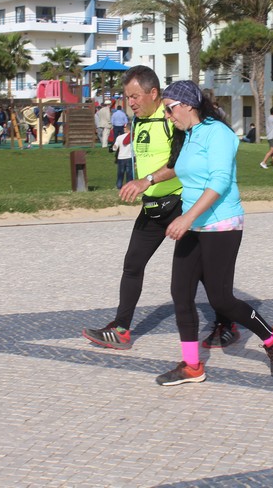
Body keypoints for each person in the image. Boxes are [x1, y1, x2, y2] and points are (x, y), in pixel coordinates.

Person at [83, 66, 238, 351]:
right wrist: (140, 184)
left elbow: (181, 163)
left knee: (202, 272)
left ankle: (226, 325)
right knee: (132, 264)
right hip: (152, 207)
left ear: (153, 93)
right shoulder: (138, 121)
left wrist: (147, 180)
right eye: (127, 97)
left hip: (178, 204)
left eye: (135, 96)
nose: (130, 102)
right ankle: (121, 330)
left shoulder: (171, 120)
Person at [155, 80, 273, 386]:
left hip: (221, 223)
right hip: (193, 224)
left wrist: (186, 218)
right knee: (181, 293)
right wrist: (149, 181)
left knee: (221, 299)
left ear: (187, 105)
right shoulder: (189, 135)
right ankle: (192, 365)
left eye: (170, 109)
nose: (167, 116)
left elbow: (219, 182)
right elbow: (184, 171)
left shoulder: (218, 133)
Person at [113, 123, 133, 189]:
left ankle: (119, 186)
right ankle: (129, 186)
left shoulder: (119, 137)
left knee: (120, 173)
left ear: (126, 128)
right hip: (130, 157)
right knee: (129, 173)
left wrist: (114, 147)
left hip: (121, 157)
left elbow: (114, 148)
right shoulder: (133, 136)